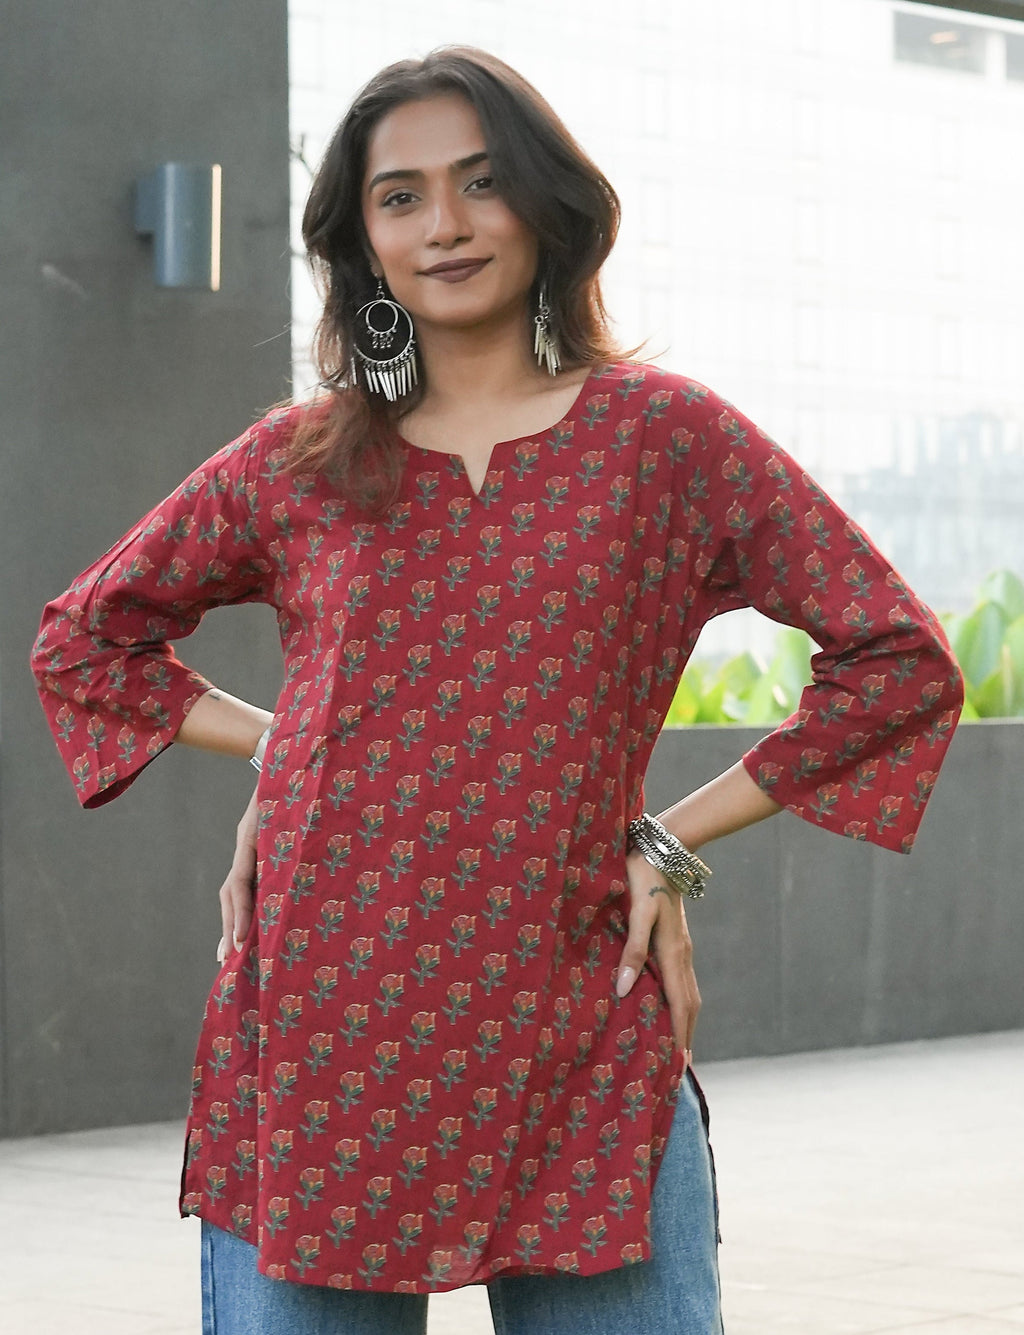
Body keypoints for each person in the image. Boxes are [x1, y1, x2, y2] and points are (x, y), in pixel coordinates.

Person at [31, 45, 964, 1335]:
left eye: (481, 181)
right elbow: (87, 641)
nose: (446, 224)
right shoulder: (298, 461)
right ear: (362, 239)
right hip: (320, 1039)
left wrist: (665, 841)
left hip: (580, 1022)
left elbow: (897, 660)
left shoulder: (667, 442)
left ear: (544, 201)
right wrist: (289, 750)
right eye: (400, 196)